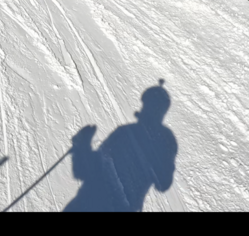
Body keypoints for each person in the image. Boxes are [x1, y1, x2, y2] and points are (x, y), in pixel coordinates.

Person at [63, 81, 178, 212]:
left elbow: (163, 183)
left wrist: (82, 146)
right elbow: (163, 183)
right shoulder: (132, 134)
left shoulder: (127, 133)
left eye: (151, 106)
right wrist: (83, 145)